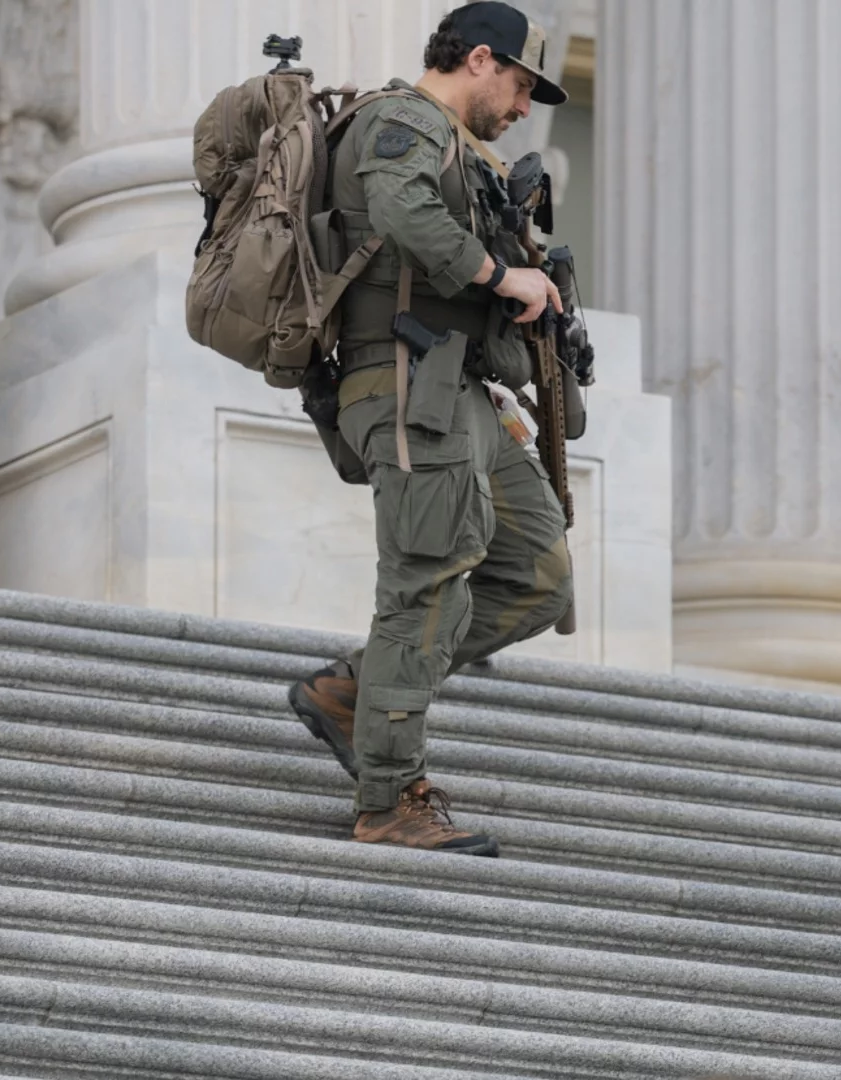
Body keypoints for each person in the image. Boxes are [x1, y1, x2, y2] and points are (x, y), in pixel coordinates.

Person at [287, 1, 576, 857]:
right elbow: (406, 213)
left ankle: (352, 693)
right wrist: (501, 275)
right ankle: (389, 800)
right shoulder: (400, 122)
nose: (525, 108)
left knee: (537, 574)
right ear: (481, 59)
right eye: (523, 86)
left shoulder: (465, 150)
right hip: (412, 385)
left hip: (466, 391)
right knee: (429, 581)